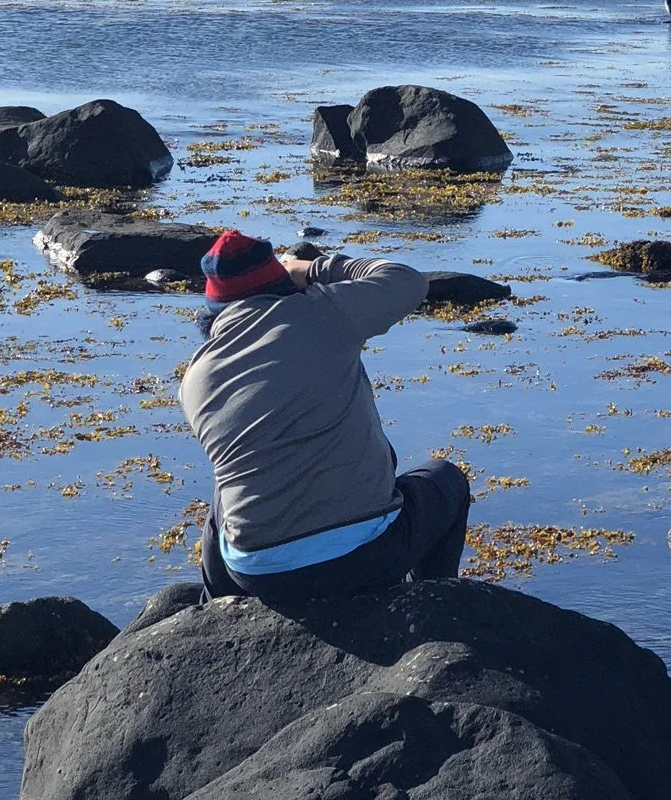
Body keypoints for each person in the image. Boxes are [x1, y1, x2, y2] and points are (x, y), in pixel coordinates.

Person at [181, 228, 472, 602]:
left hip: (255, 576)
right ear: (283, 284)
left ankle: (214, 608)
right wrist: (311, 268)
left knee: (227, 488)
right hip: (364, 558)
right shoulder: (321, 311)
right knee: (447, 480)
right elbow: (407, 281)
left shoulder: (194, 378)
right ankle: (432, 605)